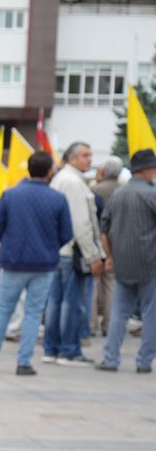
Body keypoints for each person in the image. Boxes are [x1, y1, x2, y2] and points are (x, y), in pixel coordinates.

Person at [0, 151, 74, 375]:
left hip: (13, 261)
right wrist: (49, 248)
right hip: (44, 264)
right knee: (33, 313)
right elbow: (66, 233)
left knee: (3, 310)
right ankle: (23, 362)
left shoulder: (10, 195)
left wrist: (12, 244)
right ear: (50, 171)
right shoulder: (58, 198)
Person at [44, 141, 104, 367]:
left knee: (56, 302)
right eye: (85, 155)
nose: (89, 159)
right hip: (73, 253)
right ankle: (68, 350)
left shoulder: (63, 179)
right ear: (72, 158)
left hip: (61, 251)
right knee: (73, 304)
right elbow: (81, 224)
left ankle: (52, 348)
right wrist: (93, 255)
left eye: (90, 155)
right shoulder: (73, 182)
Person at [96, 148, 156, 373]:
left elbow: (104, 228)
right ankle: (144, 362)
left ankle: (111, 359)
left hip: (122, 261)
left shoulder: (118, 195)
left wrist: (110, 256)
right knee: (151, 312)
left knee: (119, 312)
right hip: (150, 262)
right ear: (148, 169)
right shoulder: (151, 194)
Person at [90, 156, 123, 337]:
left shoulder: (94, 190)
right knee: (111, 285)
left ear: (103, 172)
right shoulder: (124, 191)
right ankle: (109, 325)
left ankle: (91, 324)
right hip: (117, 243)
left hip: (97, 241)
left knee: (94, 285)